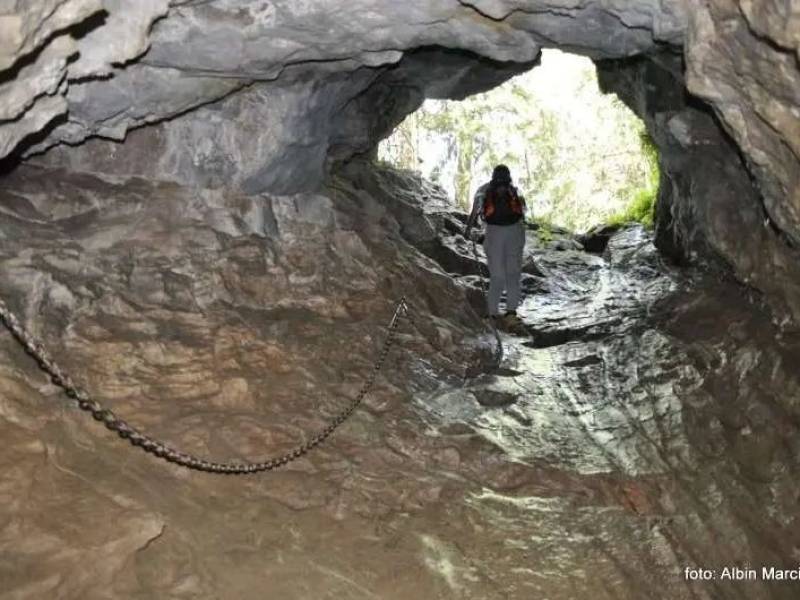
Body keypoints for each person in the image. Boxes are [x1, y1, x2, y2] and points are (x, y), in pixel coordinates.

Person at [464, 164, 527, 324]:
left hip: (493, 233)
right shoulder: (514, 190)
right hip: (515, 232)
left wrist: (467, 231)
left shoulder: (484, 190)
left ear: (493, 175)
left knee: (497, 275)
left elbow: (475, 211)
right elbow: (523, 212)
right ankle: (511, 313)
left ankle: (492, 313)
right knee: (513, 273)